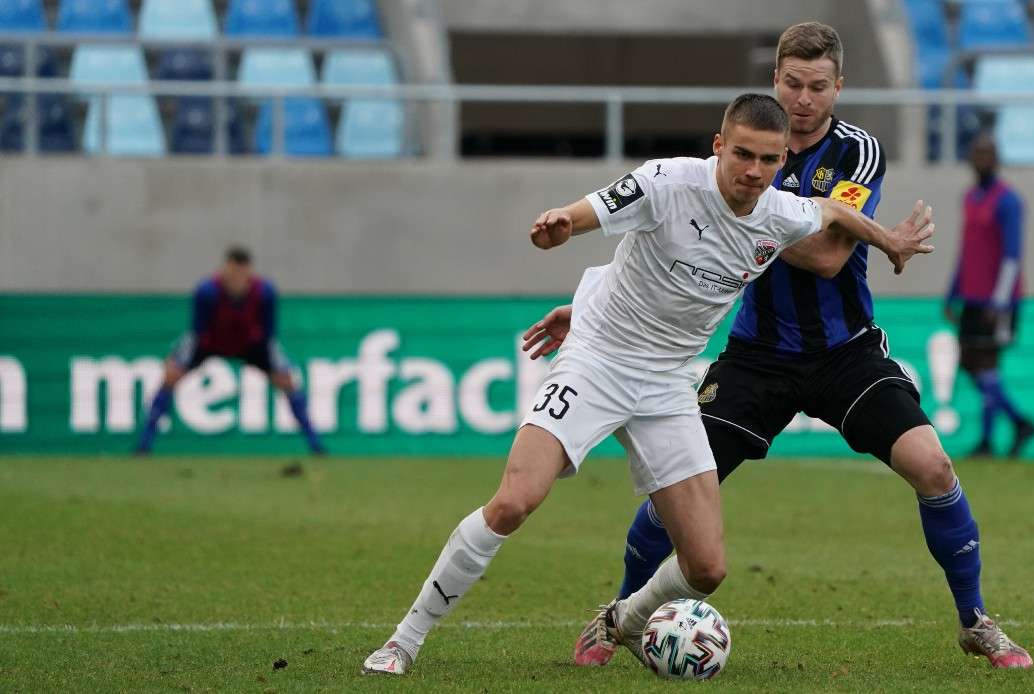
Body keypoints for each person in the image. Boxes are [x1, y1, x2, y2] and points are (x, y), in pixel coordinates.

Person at [361, 93, 935, 676]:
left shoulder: (781, 213)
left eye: (767, 160)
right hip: (599, 361)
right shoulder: (666, 182)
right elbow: (584, 213)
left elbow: (834, 214)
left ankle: (623, 622)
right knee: (515, 499)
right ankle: (403, 641)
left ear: (782, 159)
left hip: (666, 384)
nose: (753, 171)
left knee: (707, 567)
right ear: (718, 145)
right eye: (741, 154)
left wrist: (887, 240)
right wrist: (558, 227)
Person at [524, 23, 1033, 670]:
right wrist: (598, 306)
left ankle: (975, 621)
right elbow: (681, 236)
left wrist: (749, 209)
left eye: (818, 86)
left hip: (845, 352)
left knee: (933, 467)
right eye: (793, 83)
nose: (803, 99)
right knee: (671, 495)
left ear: (838, 88)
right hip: (757, 356)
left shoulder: (856, 153)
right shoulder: (747, 148)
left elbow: (824, 256)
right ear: (776, 82)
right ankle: (620, 614)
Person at [134, 246, 325, 455]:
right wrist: (177, 361)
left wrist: (278, 365)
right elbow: (195, 332)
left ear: (249, 273)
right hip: (210, 342)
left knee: (288, 380)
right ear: (225, 269)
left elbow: (270, 335)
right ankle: (144, 444)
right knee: (170, 376)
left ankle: (315, 444)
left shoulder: (265, 293)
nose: (236, 279)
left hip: (251, 344)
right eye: (232, 272)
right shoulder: (207, 291)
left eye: (241, 273)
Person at [944, 133, 1034, 459]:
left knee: (987, 364)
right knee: (972, 365)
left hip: (997, 301)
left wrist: (1000, 301)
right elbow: (966, 251)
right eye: (977, 155)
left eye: (987, 156)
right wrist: (952, 293)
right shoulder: (970, 198)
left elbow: (1013, 255)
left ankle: (989, 439)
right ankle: (1017, 422)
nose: (981, 162)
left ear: (997, 161)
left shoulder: (1008, 201)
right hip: (971, 296)